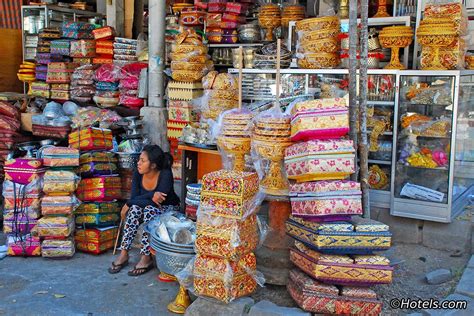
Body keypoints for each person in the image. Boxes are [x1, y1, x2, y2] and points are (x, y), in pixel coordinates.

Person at [108, 145, 180, 276]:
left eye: (142, 160)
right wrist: (147, 197)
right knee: (135, 209)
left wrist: (130, 202)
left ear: (153, 165)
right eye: (139, 160)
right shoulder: (138, 173)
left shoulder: (165, 174)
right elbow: (136, 199)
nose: (138, 163)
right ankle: (124, 253)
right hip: (147, 205)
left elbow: (158, 202)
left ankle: (146, 257)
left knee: (148, 210)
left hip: (168, 208)